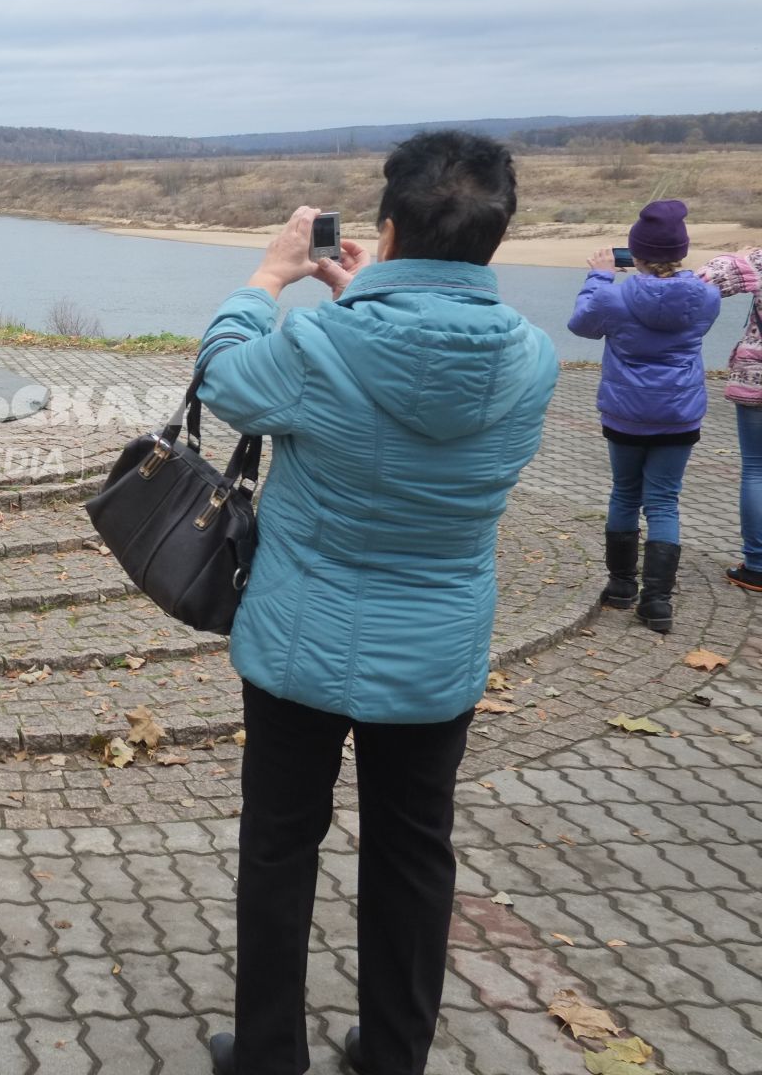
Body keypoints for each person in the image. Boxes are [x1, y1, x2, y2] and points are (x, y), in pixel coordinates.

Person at [195, 131, 558, 1075]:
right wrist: (375, 296)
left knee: (280, 844)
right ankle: (395, 1050)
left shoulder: (320, 342)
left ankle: (270, 1051)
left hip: (298, 643)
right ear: (493, 238)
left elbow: (226, 376)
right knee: (413, 850)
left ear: (387, 227)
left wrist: (267, 278)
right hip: (437, 649)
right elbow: (427, 378)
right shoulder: (531, 357)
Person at [567, 200, 719, 632]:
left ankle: (620, 587)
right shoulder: (706, 297)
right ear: (681, 253)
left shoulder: (613, 295)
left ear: (634, 255)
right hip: (679, 414)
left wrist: (599, 275)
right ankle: (656, 604)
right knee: (665, 502)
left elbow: (581, 325)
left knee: (624, 494)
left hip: (626, 414)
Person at [693, 239, 762, 591]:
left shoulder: (759, 261)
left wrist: (742, 256)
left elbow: (703, 281)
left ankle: (758, 565)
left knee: (756, 469)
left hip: (758, 379)